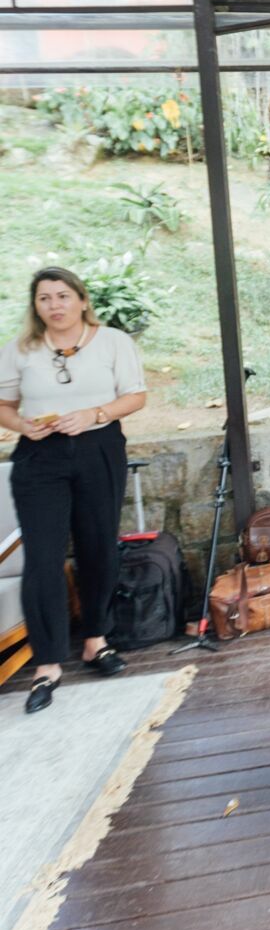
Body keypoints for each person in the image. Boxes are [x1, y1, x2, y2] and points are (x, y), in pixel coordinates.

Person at [0, 267, 147, 714]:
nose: (55, 305)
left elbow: (136, 396)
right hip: (38, 458)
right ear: (36, 306)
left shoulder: (113, 342)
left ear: (82, 300)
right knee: (42, 559)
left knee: (98, 547)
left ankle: (95, 641)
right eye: (44, 298)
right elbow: (2, 406)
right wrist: (22, 424)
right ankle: (47, 664)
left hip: (98, 448)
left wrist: (93, 414)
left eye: (63, 296)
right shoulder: (21, 350)